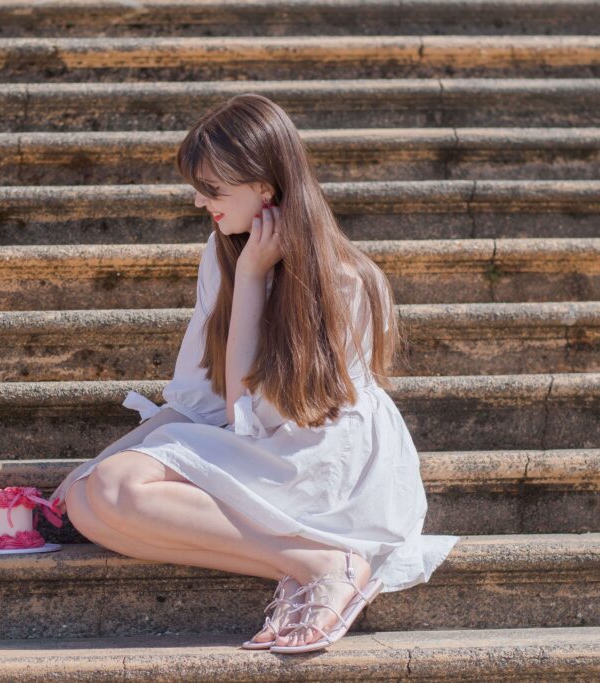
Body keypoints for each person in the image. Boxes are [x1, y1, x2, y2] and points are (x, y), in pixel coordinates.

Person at [50, 93, 459, 654]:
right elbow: (200, 401)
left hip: (328, 462)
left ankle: (329, 563)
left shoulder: (342, 281)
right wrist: (88, 465)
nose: (199, 202)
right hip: (266, 448)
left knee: (119, 487)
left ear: (265, 187)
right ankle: (312, 563)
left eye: (213, 190)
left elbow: (250, 406)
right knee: (91, 501)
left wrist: (251, 281)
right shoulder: (221, 254)